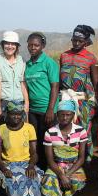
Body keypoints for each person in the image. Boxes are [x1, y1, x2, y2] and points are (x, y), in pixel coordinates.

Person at [59, 25, 98, 160]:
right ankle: (67, 157)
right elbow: (60, 81)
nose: (76, 43)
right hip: (66, 98)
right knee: (66, 129)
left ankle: (85, 159)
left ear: (86, 42)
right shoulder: (64, 56)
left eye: (80, 41)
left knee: (84, 129)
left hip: (84, 100)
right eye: (74, 40)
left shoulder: (91, 58)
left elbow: (96, 83)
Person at [0, 101, 46, 196]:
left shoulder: (29, 128)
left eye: (19, 114)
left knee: (34, 177)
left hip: (26, 163)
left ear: (23, 114)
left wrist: (31, 166)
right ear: (7, 114)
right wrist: (4, 169)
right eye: (13, 114)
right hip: (8, 164)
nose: (16, 117)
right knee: (14, 179)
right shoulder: (0, 130)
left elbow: (34, 153)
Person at [25, 32, 59, 169]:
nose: (33, 48)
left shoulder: (49, 63)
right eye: (30, 45)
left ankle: (51, 169)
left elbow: (55, 86)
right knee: (36, 140)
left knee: (48, 140)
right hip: (33, 110)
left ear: (42, 46)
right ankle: (38, 168)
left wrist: (51, 109)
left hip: (47, 109)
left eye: (36, 45)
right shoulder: (27, 65)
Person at [41, 100, 87, 196]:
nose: (65, 118)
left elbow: (81, 158)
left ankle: (66, 191)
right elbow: (50, 160)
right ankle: (58, 194)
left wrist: (67, 174)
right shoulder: (50, 132)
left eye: (68, 114)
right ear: (57, 115)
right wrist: (61, 175)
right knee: (48, 180)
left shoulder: (81, 131)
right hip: (56, 166)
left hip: (74, 166)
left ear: (73, 115)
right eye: (62, 115)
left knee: (77, 180)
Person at [0, 31, 29, 126]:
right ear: (3, 45)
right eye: (7, 43)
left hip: (19, 101)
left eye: (13, 44)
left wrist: (27, 103)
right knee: (3, 129)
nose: (10, 46)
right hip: (4, 101)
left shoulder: (21, 60)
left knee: (19, 130)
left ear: (16, 46)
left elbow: (22, 82)